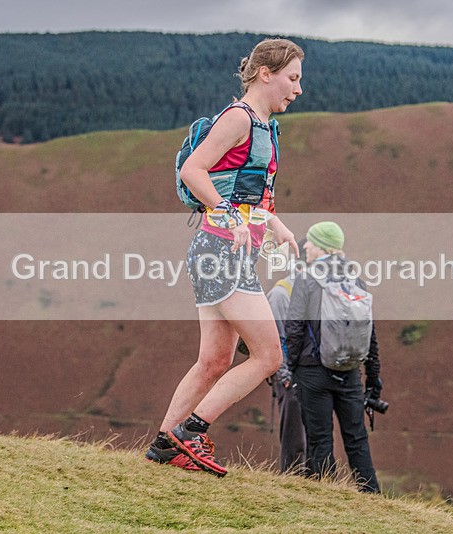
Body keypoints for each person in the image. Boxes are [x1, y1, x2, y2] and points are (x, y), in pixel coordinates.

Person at [145, 38, 304, 477]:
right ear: (265, 73)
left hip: (223, 252)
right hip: (219, 251)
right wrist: (228, 214)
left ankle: (164, 445)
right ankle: (190, 431)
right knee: (269, 356)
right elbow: (192, 170)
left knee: (214, 361)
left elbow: (251, 194)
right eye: (292, 78)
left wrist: (276, 225)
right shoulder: (239, 118)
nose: (298, 89)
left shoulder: (266, 127)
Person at [285, 222, 383, 493]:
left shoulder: (306, 279)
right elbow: (369, 333)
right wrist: (373, 376)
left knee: (319, 439)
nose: (305, 246)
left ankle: (324, 496)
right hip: (350, 370)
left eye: (311, 242)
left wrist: (292, 368)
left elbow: (293, 328)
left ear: (322, 246)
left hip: (312, 371)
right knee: (357, 439)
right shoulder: (355, 278)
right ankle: (372, 497)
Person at [265, 239, 307, 474]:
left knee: (314, 434)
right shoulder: (281, 294)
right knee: (295, 436)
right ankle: (293, 479)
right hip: (289, 376)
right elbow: (276, 338)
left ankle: (313, 482)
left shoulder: (314, 293)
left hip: (310, 373)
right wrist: (285, 377)